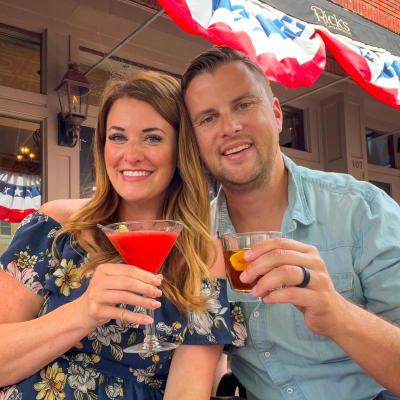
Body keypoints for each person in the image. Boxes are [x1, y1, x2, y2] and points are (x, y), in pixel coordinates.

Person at [0, 70, 244, 400]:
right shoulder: (56, 228)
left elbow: (188, 391)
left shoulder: (205, 258)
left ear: (180, 150)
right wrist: (83, 312)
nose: (131, 155)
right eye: (117, 137)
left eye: (152, 137)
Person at [181, 45, 400, 400]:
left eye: (243, 105)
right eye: (208, 118)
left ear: (277, 114)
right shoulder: (198, 240)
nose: (230, 127)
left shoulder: (362, 210)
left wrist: (336, 314)